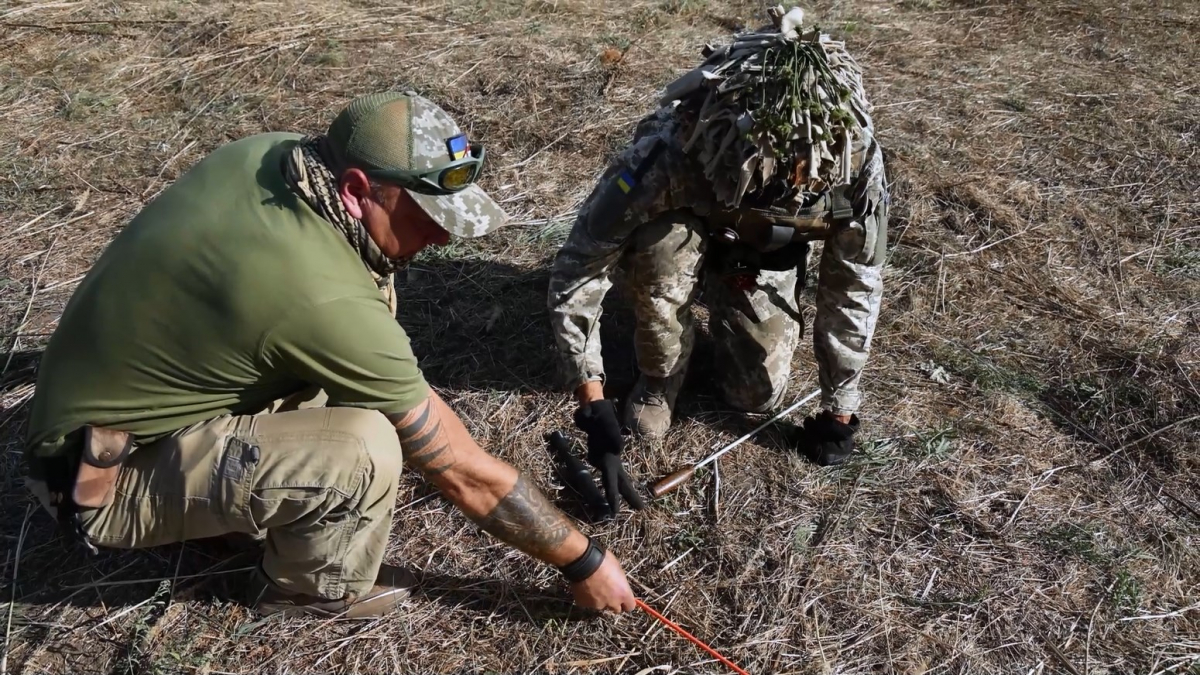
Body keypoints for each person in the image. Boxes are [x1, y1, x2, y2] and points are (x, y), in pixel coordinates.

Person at [24, 91, 636, 618]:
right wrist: (583, 561)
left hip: (104, 418)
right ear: (355, 189)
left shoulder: (276, 156)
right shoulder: (317, 297)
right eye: (426, 214)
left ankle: (228, 504)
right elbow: (459, 471)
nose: (444, 236)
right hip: (93, 482)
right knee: (366, 449)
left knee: (371, 309)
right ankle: (306, 592)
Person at [548, 7, 889, 515]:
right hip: (682, 240)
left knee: (756, 397)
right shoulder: (672, 148)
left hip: (758, 257)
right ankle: (661, 375)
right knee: (663, 251)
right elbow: (581, 265)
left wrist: (840, 407)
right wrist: (591, 396)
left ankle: (732, 305)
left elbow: (853, 284)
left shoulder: (851, 164)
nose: (790, 184)